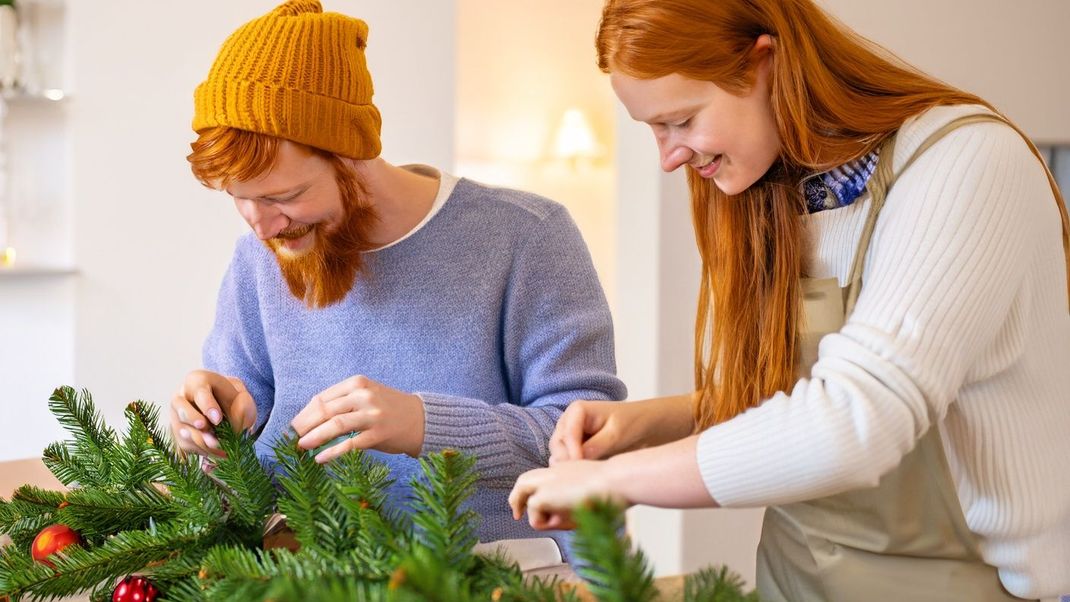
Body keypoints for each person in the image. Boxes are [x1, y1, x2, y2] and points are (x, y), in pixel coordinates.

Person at [508, 0, 1070, 599]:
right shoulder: (774, 187)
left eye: (681, 120)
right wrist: (641, 425)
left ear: (764, 65)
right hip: (792, 580)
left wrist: (615, 481)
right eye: (653, 128)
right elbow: (795, 395)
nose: (668, 156)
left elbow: (857, 421)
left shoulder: (967, 164)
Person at [167, 0, 626, 557]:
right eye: (239, 200)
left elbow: (589, 441)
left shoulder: (526, 236)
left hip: (507, 577)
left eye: (284, 196)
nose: (261, 226)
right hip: (311, 580)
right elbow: (243, 462)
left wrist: (423, 423)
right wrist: (211, 426)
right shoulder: (260, 257)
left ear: (352, 155)